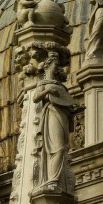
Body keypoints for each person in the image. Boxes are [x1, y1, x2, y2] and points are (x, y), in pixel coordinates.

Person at [33, 53, 79, 192]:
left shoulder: (61, 86)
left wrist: (75, 108)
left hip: (63, 116)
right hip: (51, 114)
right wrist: (47, 89)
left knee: (63, 148)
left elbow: (66, 103)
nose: (57, 68)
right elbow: (35, 97)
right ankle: (52, 180)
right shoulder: (43, 84)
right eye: (55, 65)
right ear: (47, 66)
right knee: (57, 148)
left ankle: (57, 180)